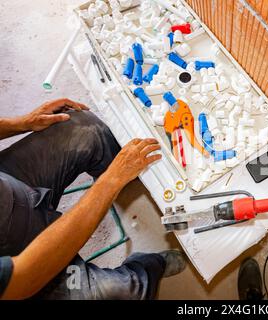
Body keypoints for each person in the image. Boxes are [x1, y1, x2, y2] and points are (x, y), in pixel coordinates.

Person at [0, 98, 186, 300]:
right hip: (23, 271)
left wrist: (22, 123)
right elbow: (25, 276)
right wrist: (111, 180)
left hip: (8, 183)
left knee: (85, 128)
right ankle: (147, 268)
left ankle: (130, 175)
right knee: (125, 292)